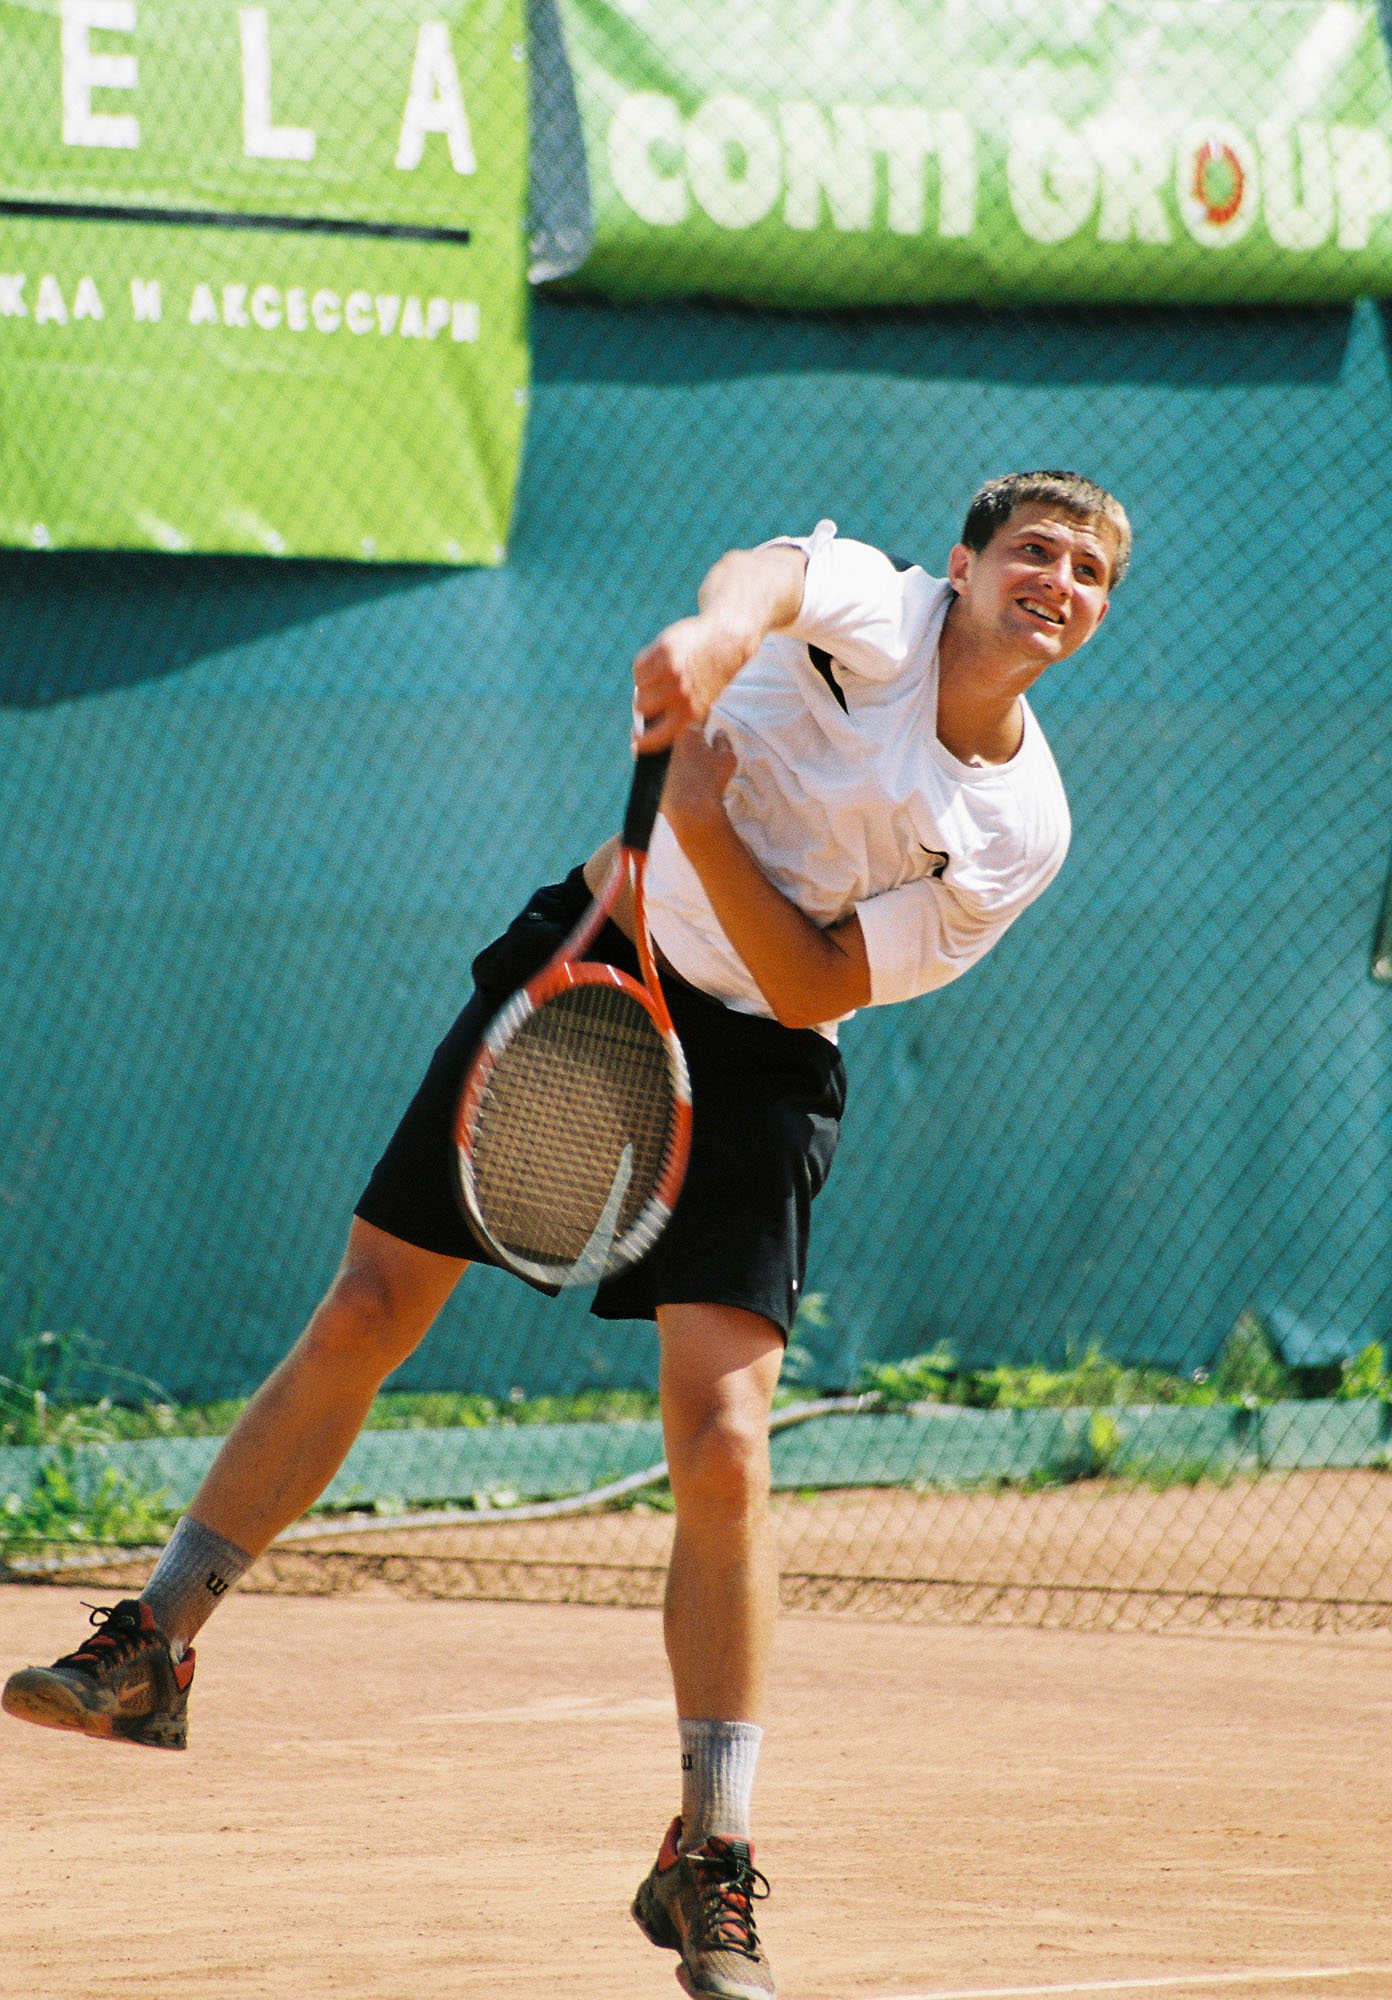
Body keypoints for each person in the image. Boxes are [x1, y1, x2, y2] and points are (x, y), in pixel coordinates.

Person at [3, 469, 1129, 2000]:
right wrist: (706, 633)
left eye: (1089, 570)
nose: (1055, 581)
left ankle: (708, 1853)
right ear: (967, 567)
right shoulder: (888, 615)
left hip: (763, 1060)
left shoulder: (1021, 824)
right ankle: (155, 1647)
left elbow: (811, 988)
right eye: (1034, 552)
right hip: (601, 950)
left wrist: (696, 816)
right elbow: (771, 573)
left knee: (726, 1441)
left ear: (1097, 610)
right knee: (368, 1309)